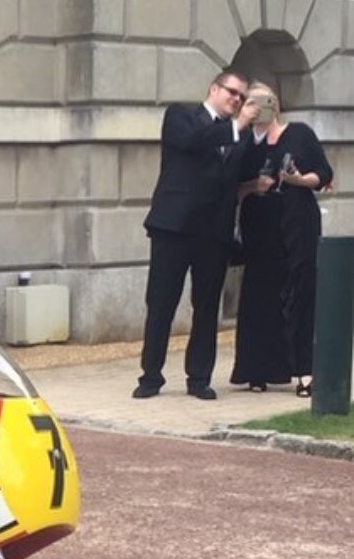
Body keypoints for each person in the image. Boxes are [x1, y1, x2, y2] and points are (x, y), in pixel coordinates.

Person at [134, 67, 260, 400]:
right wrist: (237, 126)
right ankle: (150, 375)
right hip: (174, 226)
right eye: (232, 92)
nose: (237, 99)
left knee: (206, 308)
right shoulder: (181, 116)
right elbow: (194, 141)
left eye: (242, 96)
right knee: (161, 302)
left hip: (214, 231)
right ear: (214, 89)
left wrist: (263, 128)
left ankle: (199, 377)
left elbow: (247, 170)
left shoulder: (241, 133)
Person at [231, 81, 332, 397]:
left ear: (274, 104)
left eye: (262, 101)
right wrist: (253, 186)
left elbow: (323, 174)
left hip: (297, 225)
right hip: (260, 228)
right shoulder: (245, 142)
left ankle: (304, 370)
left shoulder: (299, 134)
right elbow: (230, 184)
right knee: (259, 294)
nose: (257, 108)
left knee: (300, 292)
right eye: (249, 102)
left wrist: (299, 180)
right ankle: (257, 369)